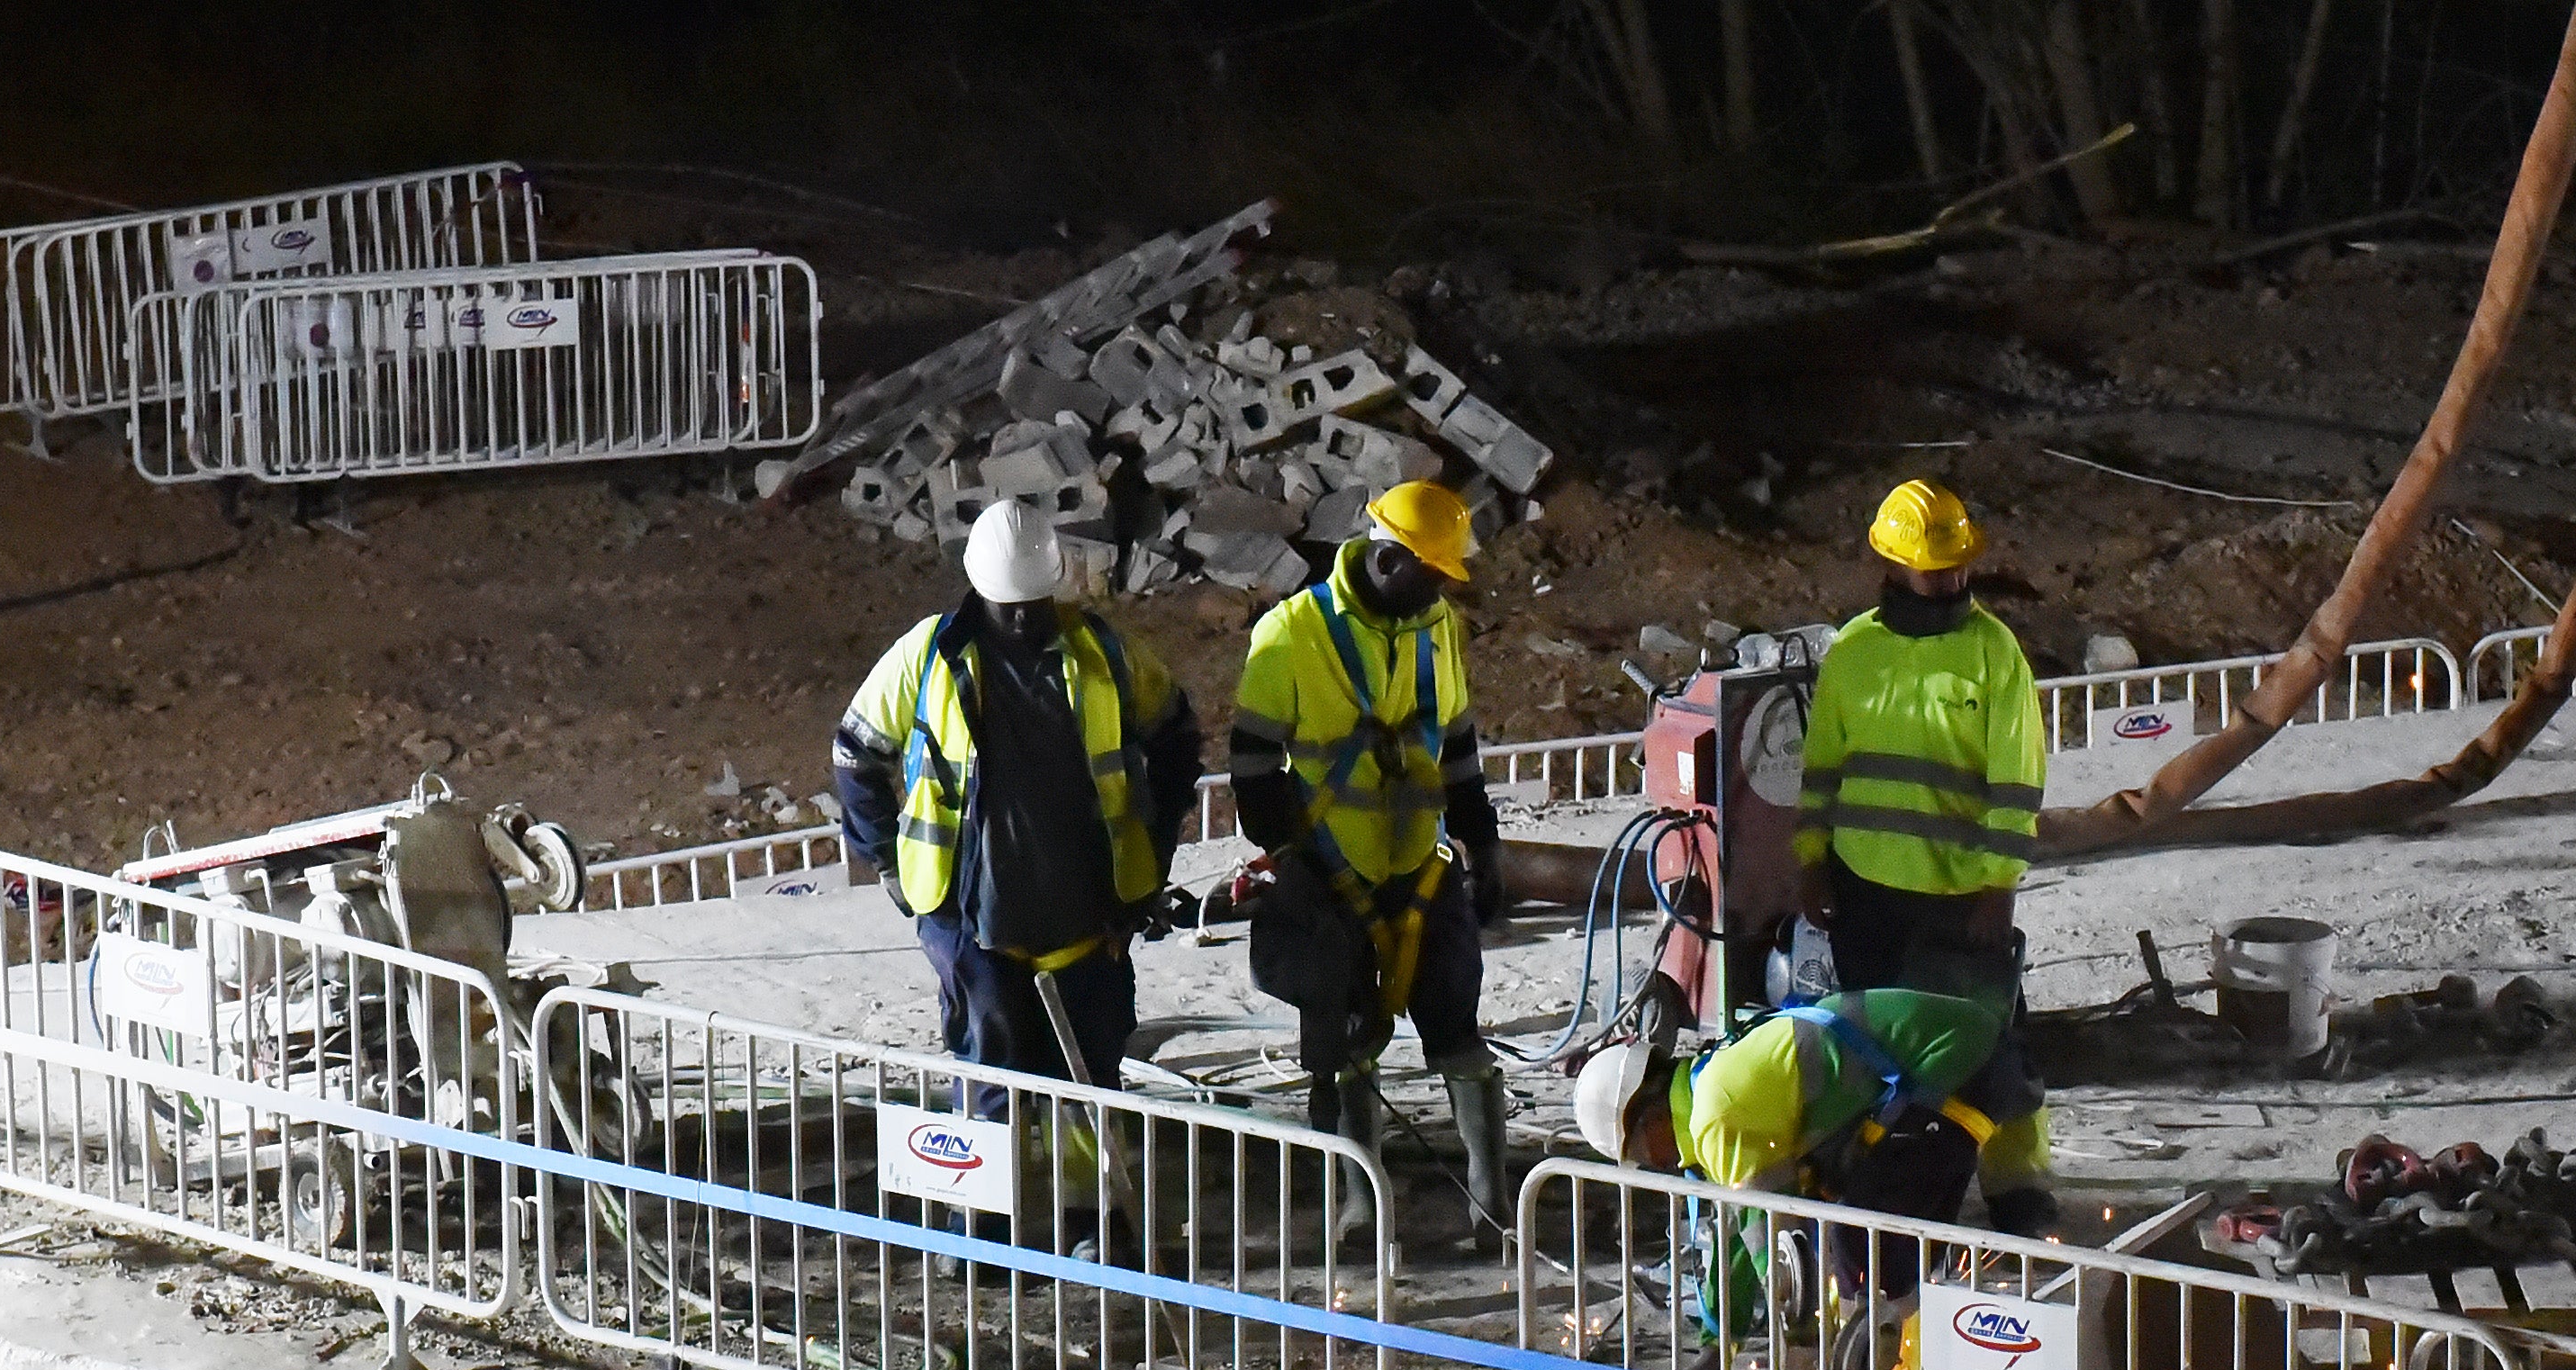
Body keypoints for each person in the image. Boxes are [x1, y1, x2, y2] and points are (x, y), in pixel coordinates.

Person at [831, 499, 1199, 1101]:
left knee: (1087, 1090)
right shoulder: (929, 656)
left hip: (1088, 919)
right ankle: (993, 1200)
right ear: (980, 588)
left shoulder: (1104, 654)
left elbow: (1177, 738)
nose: (1025, 619)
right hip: (974, 925)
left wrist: (1151, 856)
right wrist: (890, 866)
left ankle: (1084, 1199)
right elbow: (855, 753)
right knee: (991, 1092)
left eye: (1033, 604)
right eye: (1011, 606)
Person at [1227, 478, 1507, 1238]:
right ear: (1391, 559)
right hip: (1330, 868)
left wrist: (1481, 843)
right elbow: (1252, 765)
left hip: (1419, 864)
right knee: (1346, 1038)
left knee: (1457, 1026)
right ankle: (1360, 1204)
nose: (1449, 586)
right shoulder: (1291, 634)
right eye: (1438, 571)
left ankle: (1491, 1198)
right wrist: (1290, 861)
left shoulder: (1436, 625)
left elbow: (1456, 745)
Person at [1791, 480, 2058, 1235]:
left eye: (1958, 564)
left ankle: (2020, 1189)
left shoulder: (1993, 653)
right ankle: (1887, 1179)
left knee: (1995, 1044)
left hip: (1958, 894)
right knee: (1875, 1045)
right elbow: (1823, 769)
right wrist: (1811, 861)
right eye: (1936, 567)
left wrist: (1995, 886)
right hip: (1865, 886)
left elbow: (2016, 784)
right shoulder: (1854, 651)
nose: (1952, 578)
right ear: (1894, 563)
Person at [1570, 989, 2042, 1290]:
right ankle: (1896, 1364)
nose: (1658, 1165)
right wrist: (1721, 1343)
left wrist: (1796, 1333)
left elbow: (1767, 1232)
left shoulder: (1716, 1114)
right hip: (1965, 1058)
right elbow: (1739, 1235)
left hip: (1962, 1065)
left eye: (1641, 1155)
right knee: (1870, 1249)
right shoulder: (1711, 1085)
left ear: (1647, 1117)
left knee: (1865, 1252)